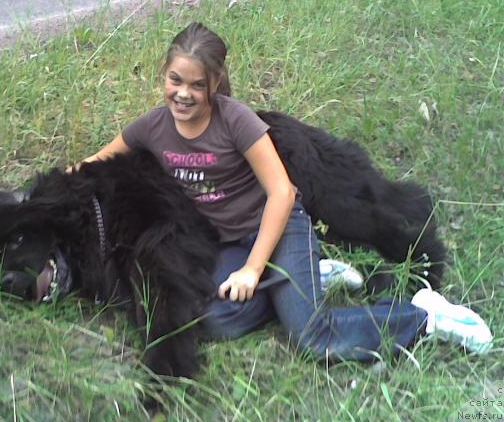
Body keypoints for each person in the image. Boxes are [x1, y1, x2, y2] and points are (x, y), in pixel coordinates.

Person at [69, 22, 493, 359]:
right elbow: (94, 163)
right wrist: (39, 194)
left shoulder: (237, 122)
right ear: (164, 75)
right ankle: (311, 278)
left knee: (311, 337)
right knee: (208, 318)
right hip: (229, 242)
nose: (183, 93)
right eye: (175, 80)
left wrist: (254, 269)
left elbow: (283, 194)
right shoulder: (152, 126)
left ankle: (424, 318)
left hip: (276, 227)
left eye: (197, 85)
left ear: (215, 83)